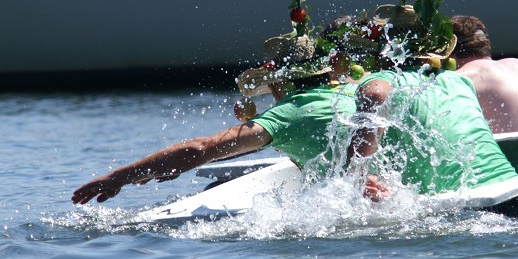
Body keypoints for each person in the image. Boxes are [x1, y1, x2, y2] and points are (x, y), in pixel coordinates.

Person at [71, 33, 358, 205]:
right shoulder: (359, 90)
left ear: (277, 84)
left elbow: (201, 149)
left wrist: (118, 178)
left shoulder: (288, 113)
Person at [347, 5, 518, 200]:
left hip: (469, 202)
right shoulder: (459, 80)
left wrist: (357, 176)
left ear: (378, 52)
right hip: (511, 184)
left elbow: (375, 93)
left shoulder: (386, 80)